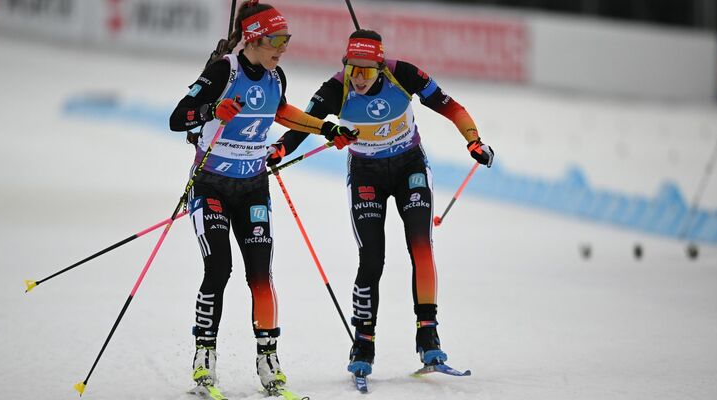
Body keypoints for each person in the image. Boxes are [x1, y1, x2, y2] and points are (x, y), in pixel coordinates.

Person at [266, 29, 494, 378]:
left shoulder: (404, 74)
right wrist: (279, 150)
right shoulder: (336, 87)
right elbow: (302, 126)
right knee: (372, 257)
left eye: (367, 71)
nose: (358, 78)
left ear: (380, 66)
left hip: (409, 167)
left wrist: (473, 141)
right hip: (366, 174)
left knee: (420, 246)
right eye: (352, 70)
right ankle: (364, 341)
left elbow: (451, 106)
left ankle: (428, 334)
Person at [168, 0, 357, 392]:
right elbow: (178, 117)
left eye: (286, 40)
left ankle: (268, 360)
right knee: (219, 269)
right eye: (276, 40)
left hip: (253, 186)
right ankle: (205, 355)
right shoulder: (225, 70)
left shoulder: (276, 76)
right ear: (253, 38)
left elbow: (282, 112)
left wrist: (325, 128)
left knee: (260, 275)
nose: (282, 48)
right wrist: (211, 110)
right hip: (211, 186)